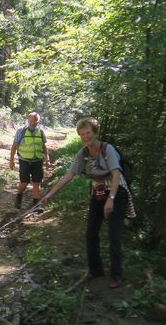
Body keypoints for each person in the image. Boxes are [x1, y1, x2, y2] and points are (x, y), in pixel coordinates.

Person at [41, 118, 135, 289]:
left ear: (95, 132)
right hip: (98, 193)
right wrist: (50, 195)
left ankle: (116, 275)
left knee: (114, 235)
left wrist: (111, 200)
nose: (85, 136)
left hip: (117, 193)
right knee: (91, 233)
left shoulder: (108, 149)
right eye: (82, 134)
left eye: (88, 133)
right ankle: (95, 269)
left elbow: (115, 174)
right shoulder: (83, 154)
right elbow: (68, 175)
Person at [9, 112, 50, 209]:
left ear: (38, 121)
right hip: (24, 160)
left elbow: (44, 146)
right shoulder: (21, 131)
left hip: (37, 160)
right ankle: (19, 197)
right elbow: (14, 146)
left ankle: (36, 204)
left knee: (36, 182)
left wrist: (47, 159)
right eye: (31, 120)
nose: (33, 123)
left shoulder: (41, 132)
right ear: (28, 120)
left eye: (35, 121)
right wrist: (11, 160)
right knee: (24, 182)